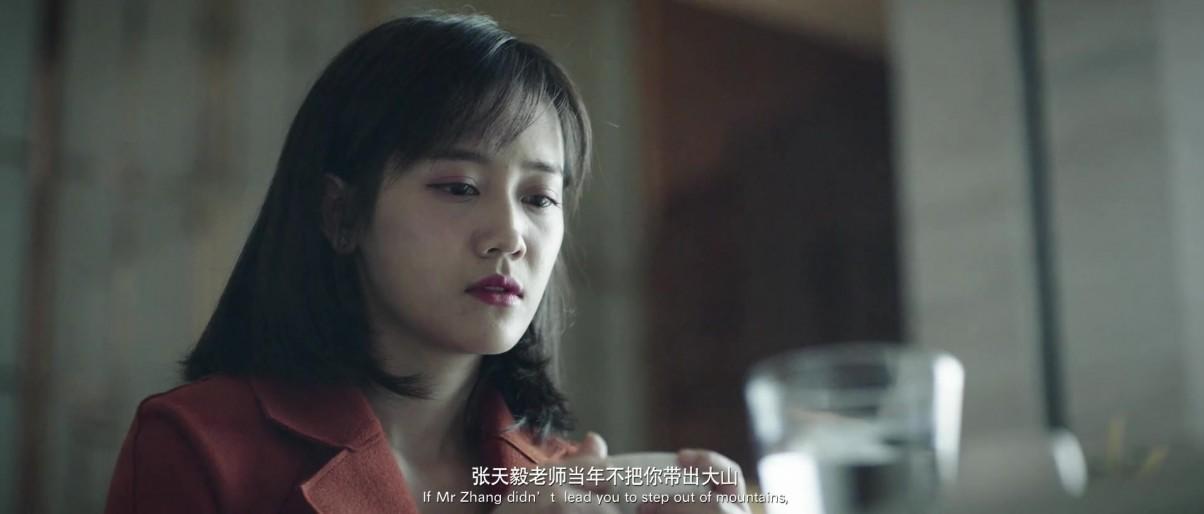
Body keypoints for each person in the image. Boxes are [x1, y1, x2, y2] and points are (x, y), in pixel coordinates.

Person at [104, 13, 749, 514]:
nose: (509, 236)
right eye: (459, 187)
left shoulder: (569, 482)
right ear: (340, 214)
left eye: (539, 198)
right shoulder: (196, 444)